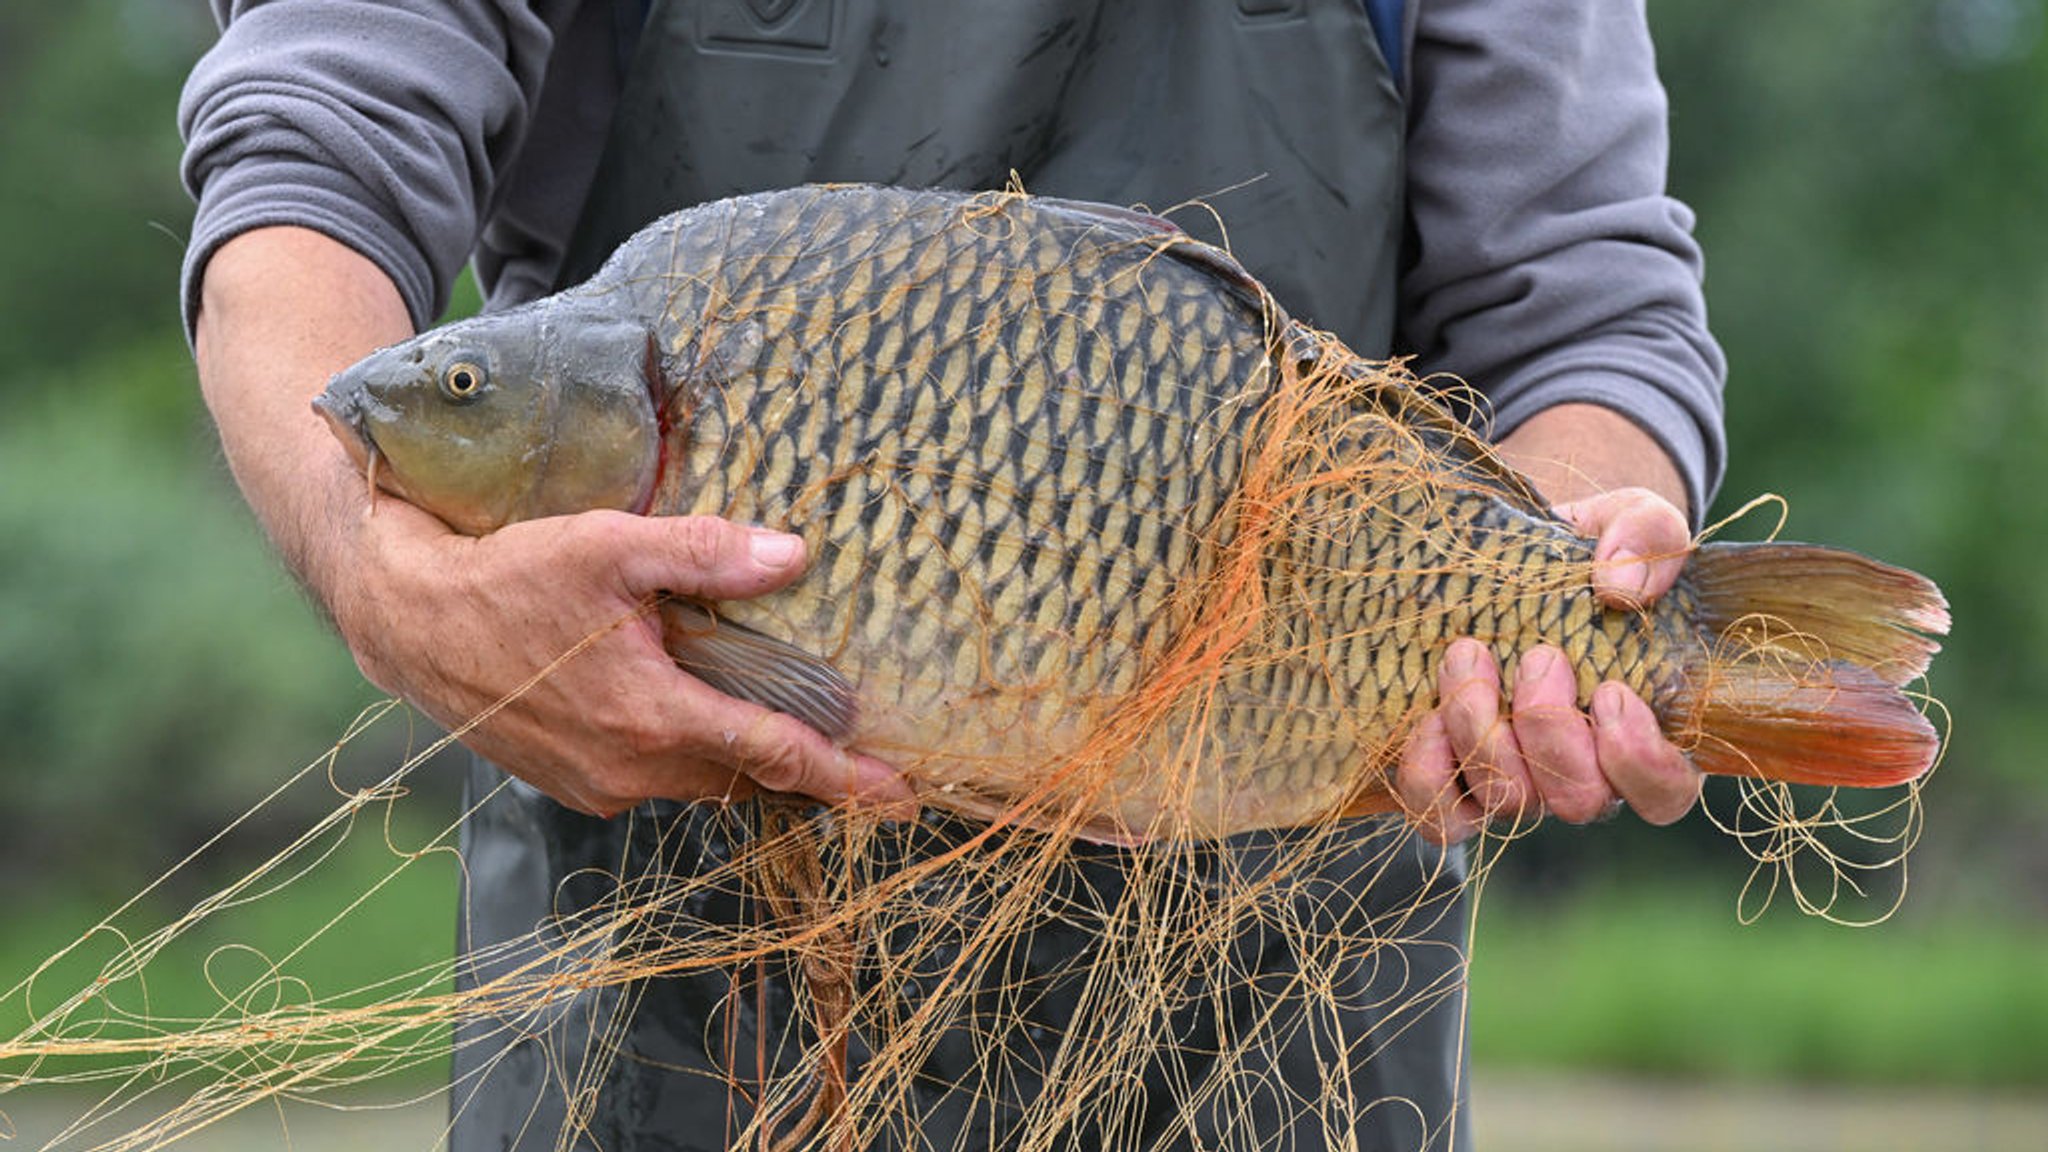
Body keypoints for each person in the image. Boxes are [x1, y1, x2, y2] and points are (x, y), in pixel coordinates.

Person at [181, 1, 1724, 1147]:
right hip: (663, 996)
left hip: (1275, 975)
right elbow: (311, 152)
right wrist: (383, 574)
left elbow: (1585, 315)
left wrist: (1554, 596)